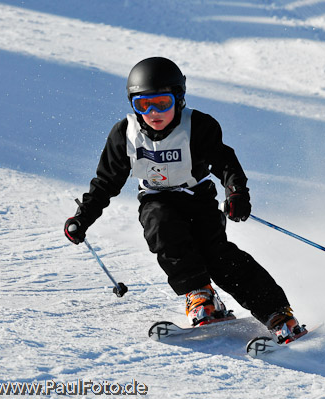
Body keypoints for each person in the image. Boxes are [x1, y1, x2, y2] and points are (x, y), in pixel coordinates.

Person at [64, 57, 306, 343]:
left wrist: (237, 192)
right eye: (143, 105)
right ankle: (201, 296)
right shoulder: (125, 135)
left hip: (198, 198)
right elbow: (106, 182)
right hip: (155, 199)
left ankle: (277, 314)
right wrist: (83, 218)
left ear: (178, 99)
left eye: (162, 103)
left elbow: (224, 162)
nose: (153, 112)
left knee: (218, 257)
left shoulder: (198, 126)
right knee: (162, 230)